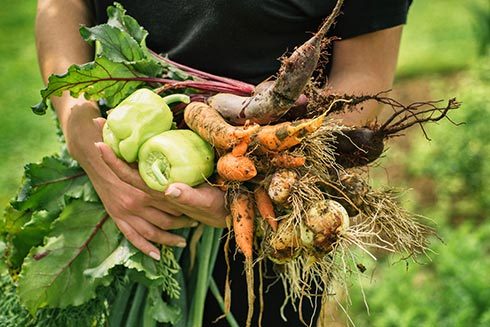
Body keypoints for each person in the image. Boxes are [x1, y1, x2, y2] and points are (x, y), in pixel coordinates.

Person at [35, 0, 412, 325]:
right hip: (115, 181)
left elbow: (364, 73)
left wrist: (260, 181)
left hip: (276, 213)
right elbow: (61, 7)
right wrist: (79, 125)